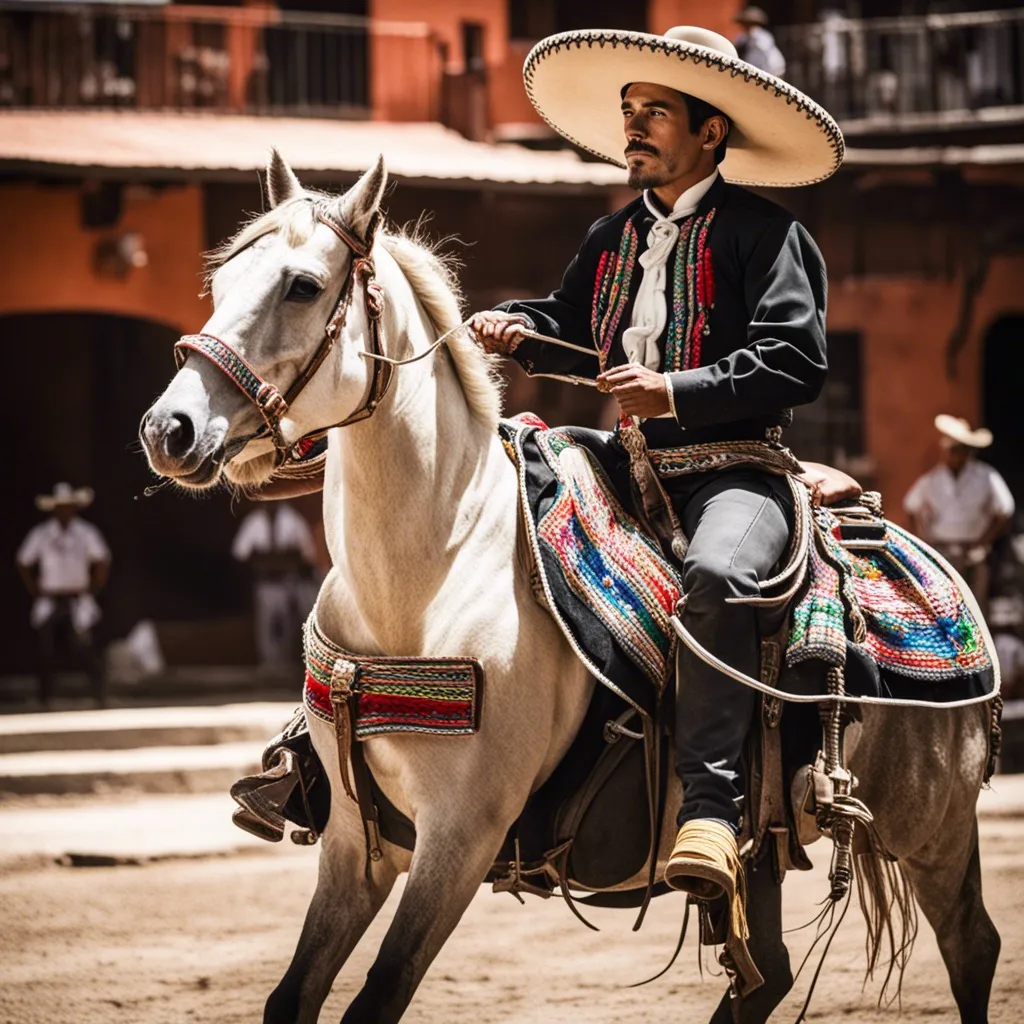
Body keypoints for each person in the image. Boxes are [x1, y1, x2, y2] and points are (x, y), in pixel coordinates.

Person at [469, 26, 839, 913]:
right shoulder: (610, 235)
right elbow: (571, 330)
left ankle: (710, 810)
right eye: (630, 113)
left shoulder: (768, 233)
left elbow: (798, 361)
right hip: (624, 463)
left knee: (716, 572)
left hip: (735, 471)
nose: (633, 127)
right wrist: (513, 326)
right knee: (503, 479)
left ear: (711, 133)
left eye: (655, 114)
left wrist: (674, 390)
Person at [904, 414, 1014, 618]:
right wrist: (923, 541)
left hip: (973, 553)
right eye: (952, 450)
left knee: (975, 608)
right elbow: (911, 506)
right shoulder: (933, 479)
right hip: (941, 552)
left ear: (968, 452)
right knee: (942, 605)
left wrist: (983, 543)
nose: (955, 455)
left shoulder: (985, 476)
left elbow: (1005, 509)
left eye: (960, 450)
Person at [16, 482, 111, 707]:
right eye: (60, 506)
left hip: (77, 599)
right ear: (54, 508)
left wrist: (94, 585)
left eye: (68, 506)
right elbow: (23, 561)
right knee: (45, 649)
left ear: (74, 508)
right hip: (50, 599)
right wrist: (34, 588)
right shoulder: (42, 533)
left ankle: (99, 695)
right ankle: (44, 698)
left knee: (84, 648)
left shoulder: (86, 532)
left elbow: (102, 559)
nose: (64, 510)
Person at [232, 502, 318, 667]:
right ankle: (269, 666)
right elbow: (240, 554)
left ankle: (285, 664)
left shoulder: (293, 519)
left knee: (287, 626)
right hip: (265, 584)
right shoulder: (254, 521)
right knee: (267, 627)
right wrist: (268, 560)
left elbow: (307, 555)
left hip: (287, 583)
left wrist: (283, 560)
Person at [733, 6, 786, 79]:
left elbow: (767, 57)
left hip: (768, 71)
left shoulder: (763, 37)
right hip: (751, 71)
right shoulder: (742, 38)